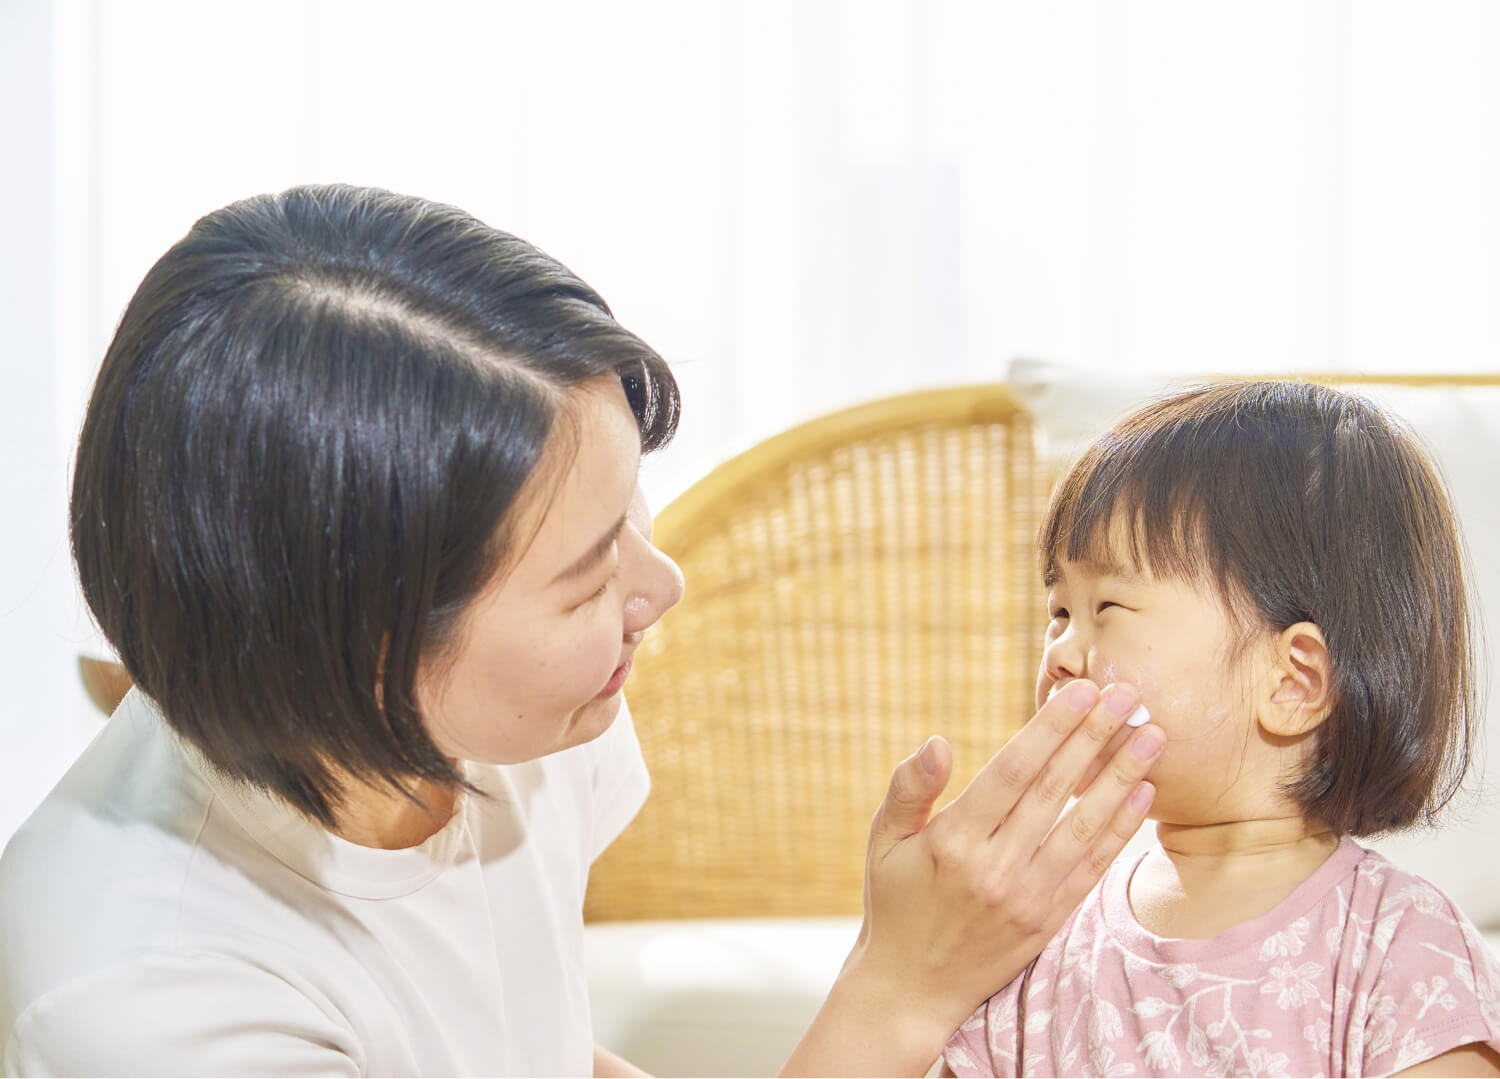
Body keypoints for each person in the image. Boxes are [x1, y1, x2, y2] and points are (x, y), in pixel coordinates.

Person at [0, 184, 1166, 1077]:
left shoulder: (510, 716)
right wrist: (902, 988)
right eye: (581, 574)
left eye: (630, 509)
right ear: (363, 645)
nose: (660, 586)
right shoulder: (150, 996)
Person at [942, 381, 1500, 1078]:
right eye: (1058, 611)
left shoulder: (1400, 948)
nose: (1057, 651)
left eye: (1105, 605)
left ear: (1293, 682)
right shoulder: (1039, 929)